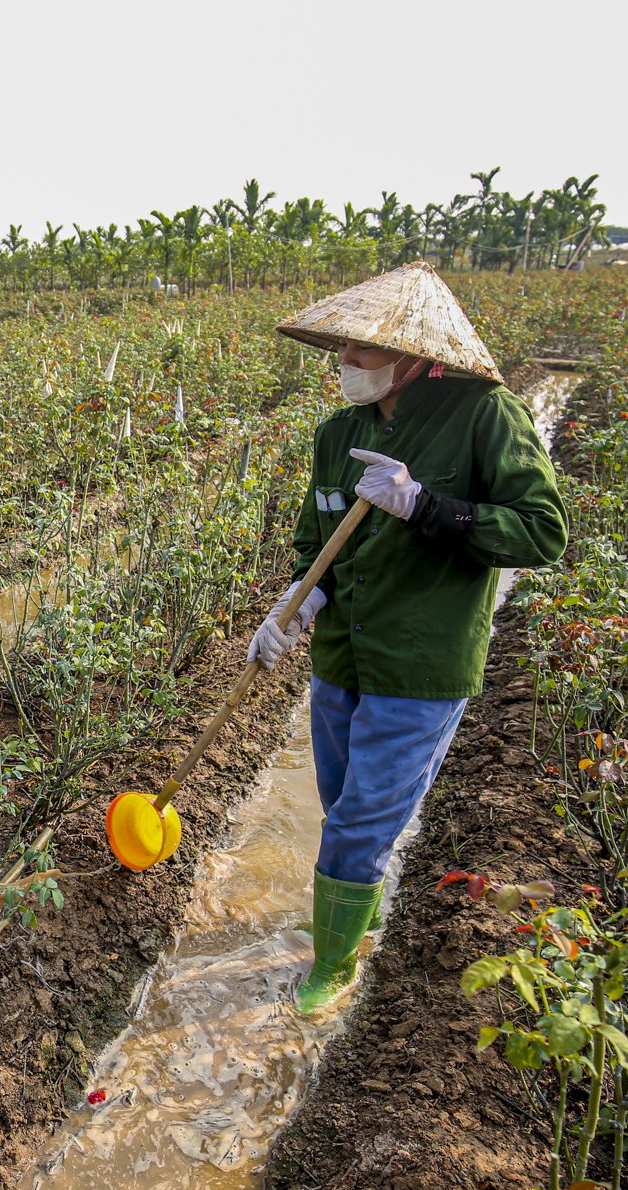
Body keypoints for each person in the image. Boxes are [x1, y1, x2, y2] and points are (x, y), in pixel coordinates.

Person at [251, 261, 567, 1016]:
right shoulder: (339, 435)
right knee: (340, 804)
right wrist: (299, 601)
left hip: (421, 661)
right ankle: (347, 906)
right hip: (343, 656)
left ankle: (333, 962)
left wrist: (428, 505)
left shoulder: (486, 416)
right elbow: (314, 538)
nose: (345, 365)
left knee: (361, 821)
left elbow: (543, 531)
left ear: (413, 353)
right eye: (342, 350)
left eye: (361, 351)